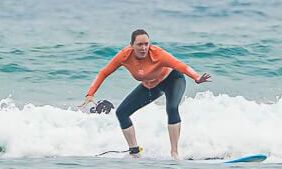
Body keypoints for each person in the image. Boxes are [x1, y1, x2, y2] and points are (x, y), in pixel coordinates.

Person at [79, 30, 211, 158]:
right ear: (131, 45)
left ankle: (174, 153)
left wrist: (196, 77)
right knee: (122, 113)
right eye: (139, 45)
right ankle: (134, 151)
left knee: (171, 108)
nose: (143, 48)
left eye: (146, 44)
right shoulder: (124, 56)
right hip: (150, 86)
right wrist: (90, 94)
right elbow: (104, 72)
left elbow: (179, 65)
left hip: (172, 80)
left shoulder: (158, 54)